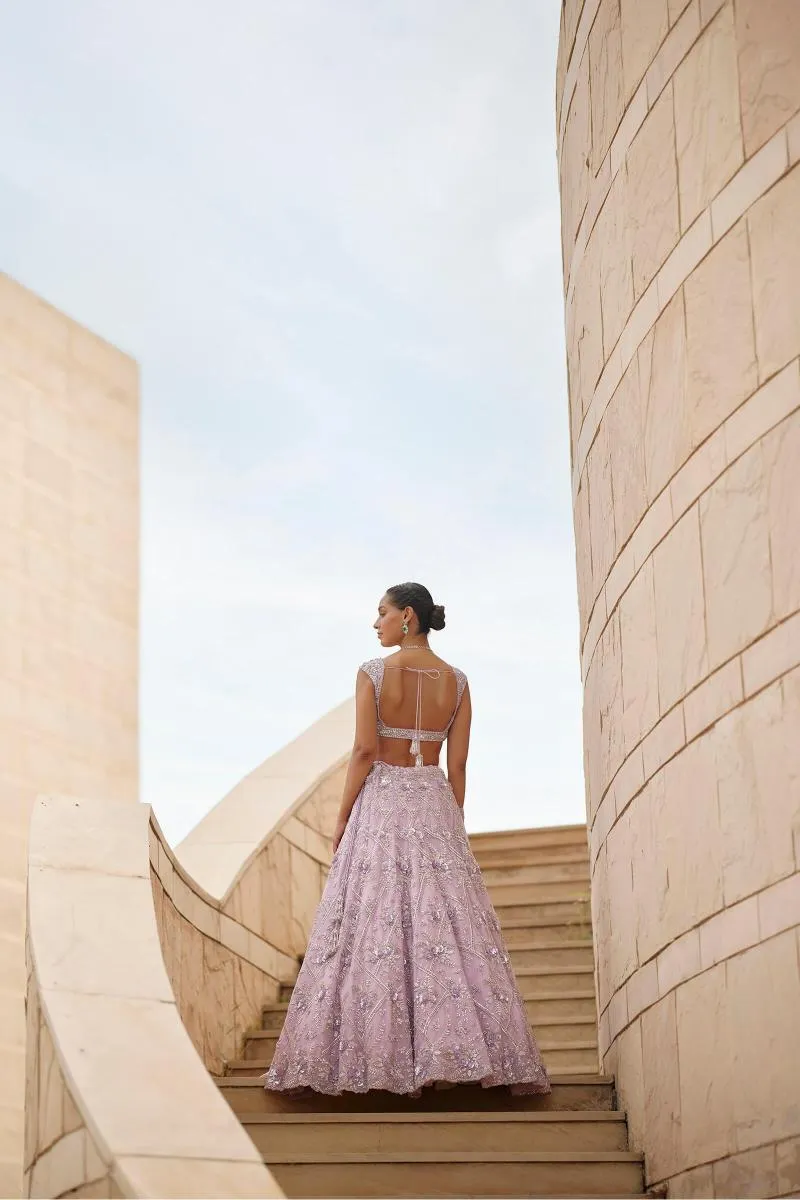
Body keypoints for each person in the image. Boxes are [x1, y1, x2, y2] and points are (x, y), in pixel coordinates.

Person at [262, 581, 551, 1096]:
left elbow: (364, 752)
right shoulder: (458, 683)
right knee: (446, 927)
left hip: (382, 801)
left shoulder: (374, 674)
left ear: (408, 617)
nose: (376, 624)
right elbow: (457, 763)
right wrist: (451, 820)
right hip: (433, 799)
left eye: (382, 613)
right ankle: (457, 1058)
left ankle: (373, 1060)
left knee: (373, 920)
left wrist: (344, 814)